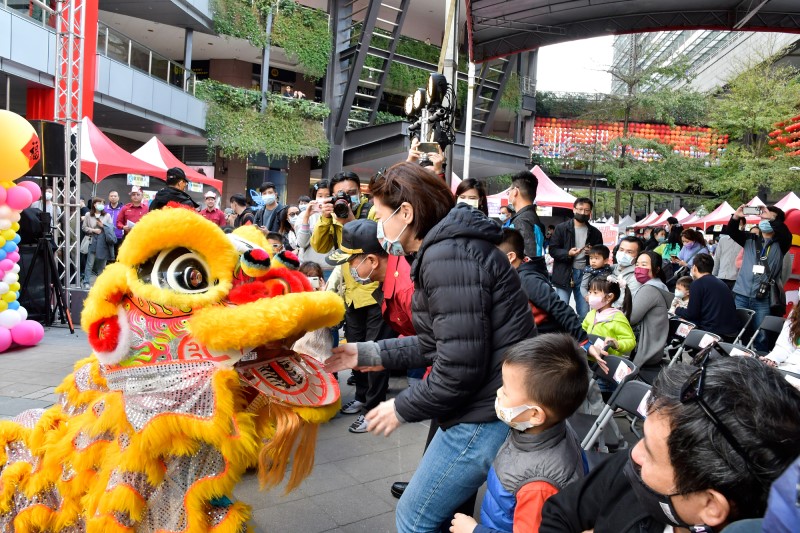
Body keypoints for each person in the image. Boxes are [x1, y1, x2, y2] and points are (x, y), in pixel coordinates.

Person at [324, 162, 536, 533]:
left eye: (381, 216)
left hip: (483, 410)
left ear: (405, 212)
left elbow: (458, 367)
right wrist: (366, 353)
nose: (379, 228)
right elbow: (441, 341)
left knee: (415, 516)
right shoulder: (449, 250)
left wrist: (400, 407)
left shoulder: (447, 257)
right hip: (487, 399)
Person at [540, 357, 800, 533]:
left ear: (710, 506)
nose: (634, 453)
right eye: (642, 437)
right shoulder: (629, 476)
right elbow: (558, 514)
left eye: (652, 454)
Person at [450, 334, 589, 533]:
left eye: (505, 391)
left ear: (534, 414)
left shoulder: (539, 486)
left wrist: (473, 530)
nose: (498, 393)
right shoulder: (552, 428)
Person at [326, 220, 397, 434]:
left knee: (373, 353)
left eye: (351, 262)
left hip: (375, 300)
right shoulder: (343, 237)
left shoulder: (397, 282)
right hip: (352, 299)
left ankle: (372, 409)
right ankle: (361, 397)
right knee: (357, 353)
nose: (349, 267)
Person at [728, 204, 791, 351]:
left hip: (763, 297)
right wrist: (736, 216)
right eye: (762, 217)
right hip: (741, 294)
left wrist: (770, 217)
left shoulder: (781, 243)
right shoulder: (749, 239)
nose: (764, 220)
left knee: (761, 335)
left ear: (777, 223)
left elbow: (785, 233)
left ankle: (760, 365)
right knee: (738, 331)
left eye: (768, 218)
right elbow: (731, 231)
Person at [549, 198, 604, 319]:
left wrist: (593, 253)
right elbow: (552, 250)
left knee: (584, 312)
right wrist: (567, 253)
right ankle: (561, 336)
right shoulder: (561, 228)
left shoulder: (595, 233)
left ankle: (582, 336)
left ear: (590, 212)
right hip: (564, 273)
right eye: (580, 209)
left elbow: (602, 254)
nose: (583, 213)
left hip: (586, 274)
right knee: (562, 310)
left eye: (586, 210)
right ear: (574, 209)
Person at [674, 253, 740, 341]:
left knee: (676, 322)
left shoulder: (697, 284)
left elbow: (692, 314)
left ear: (694, 268)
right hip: (731, 332)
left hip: (712, 333)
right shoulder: (721, 283)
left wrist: (678, 309)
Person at [629, 251, 672, 383]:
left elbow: (631, 318)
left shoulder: (649, 289)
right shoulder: (658, 285)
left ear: (657, 269)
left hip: (645, 351)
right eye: (637, 264)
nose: (639, 268)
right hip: (655, 349)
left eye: (644, 264)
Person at [582, 275, 636, 357]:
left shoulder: (617, 318)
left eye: (595, 293)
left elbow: (630, 340)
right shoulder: (592, 313)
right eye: (590, 292)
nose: (590, 296)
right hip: (588, 357)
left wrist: (617, 344)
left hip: (607, 361)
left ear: (609, 297)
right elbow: (582, 330)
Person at [507, 171, 546, 269]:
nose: (508, 193)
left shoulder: (522, 220)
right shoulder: (531, 217)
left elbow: (528, 259)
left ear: (515, 191)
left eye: (509, 190)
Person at [296, 181, 334, 275]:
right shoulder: (304, 216)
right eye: (320, 196)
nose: (323, 199)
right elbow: (302, 243)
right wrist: (306, 217)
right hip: (309, 269)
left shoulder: (337, 215)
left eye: (327, 196)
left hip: (332, 268)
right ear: (314, 196)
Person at [82, 197, 116, 288]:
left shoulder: (107, 216)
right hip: (92, 240)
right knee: (90, 263)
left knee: (102, 264)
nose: (101, 205)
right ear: (94, 204)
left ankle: (101, 283)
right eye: (99, 203)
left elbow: (111, 228)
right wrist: (93, 230)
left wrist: (103, 226)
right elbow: (84, 227)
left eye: (102, 203)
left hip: (103, 242)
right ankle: (86, 282)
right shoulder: (88, 215)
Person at [760, 304, 800, 374]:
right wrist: (772, 359)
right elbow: (785, 345)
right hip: (787, 369)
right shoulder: (796, 312)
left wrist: (781, 370)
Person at [613, 236, 644, 300]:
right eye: (621, 250)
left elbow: (624, 302)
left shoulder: (637, 277)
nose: (623, 254)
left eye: (629, 252)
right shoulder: (613, 268)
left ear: (638, 255)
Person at [713, 225, 743, 290]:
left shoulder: (745, 241)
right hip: (721, 276)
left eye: (740, 224)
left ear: (744, 226)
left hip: (736, 279)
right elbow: (717, 258)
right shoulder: (723, 240)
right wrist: (713, 274)